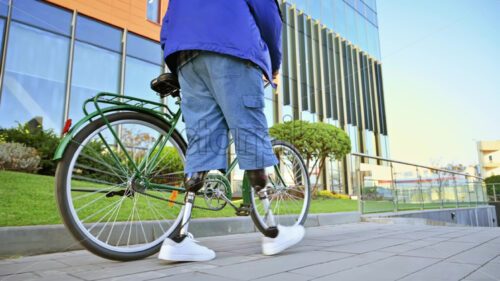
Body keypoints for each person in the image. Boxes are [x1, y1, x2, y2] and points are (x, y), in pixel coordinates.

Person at [158, 0, 305, 262]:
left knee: (202, 138)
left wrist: (175, 56)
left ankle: (179, 239)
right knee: (249, 130)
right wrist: (273, 64)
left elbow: (167, 23)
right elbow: (269, 17)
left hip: (185, 54)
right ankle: (272, 233)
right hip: (232, 46)